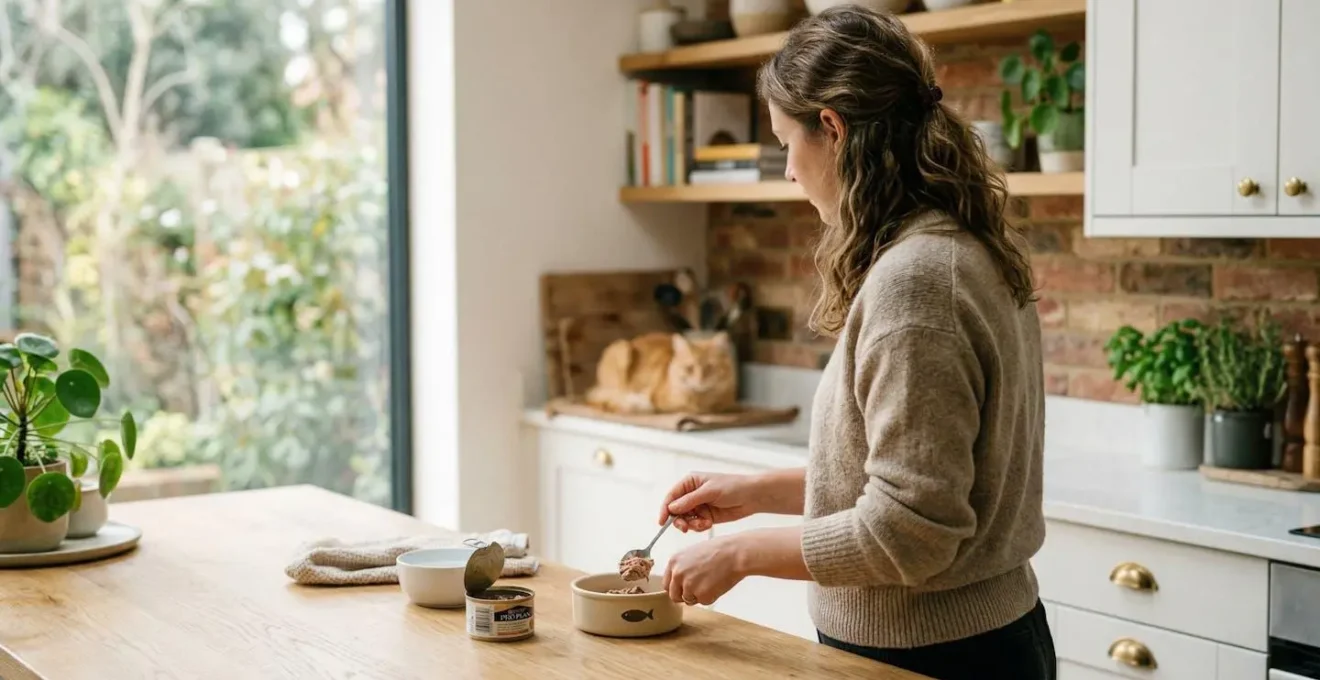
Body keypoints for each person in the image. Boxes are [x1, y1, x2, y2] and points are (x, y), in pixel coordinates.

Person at [656, 6, 1054, 679]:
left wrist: (740, 554)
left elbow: (911, 531)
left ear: (833, 129)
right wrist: (754, 489)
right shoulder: (958, 248)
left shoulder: (917, 283)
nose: (787, 171)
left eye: (787, 142)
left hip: (933, 658)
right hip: (977, 640)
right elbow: (902, 478)